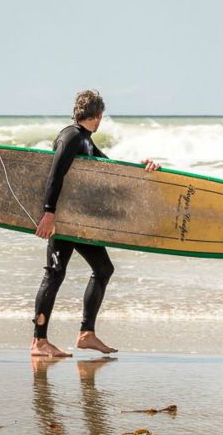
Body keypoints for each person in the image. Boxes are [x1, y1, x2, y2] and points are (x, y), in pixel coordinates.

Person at [30, 90, 160, 358]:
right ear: (99, 115)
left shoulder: (85, 141)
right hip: (63, 220)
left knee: (103, 268)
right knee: (55, 273)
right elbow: (55, 172)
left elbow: (110, 170)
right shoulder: (72, 136)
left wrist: (143, 166)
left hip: (77, 222)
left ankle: (86, 334)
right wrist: (49, 212)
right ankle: (39, 342)